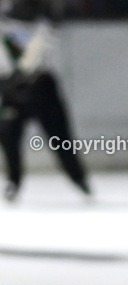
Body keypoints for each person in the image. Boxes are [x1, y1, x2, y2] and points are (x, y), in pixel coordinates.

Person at [0, 0, 89, 202]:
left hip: (41, 87)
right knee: (9, 139)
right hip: (11, 88)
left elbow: (44, 44)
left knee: (61, 138)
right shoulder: (6, 27)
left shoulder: (43, 26)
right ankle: (13, 182)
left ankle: (79, 179)